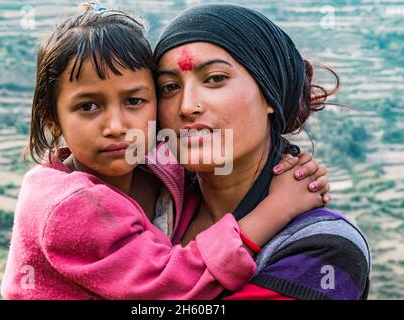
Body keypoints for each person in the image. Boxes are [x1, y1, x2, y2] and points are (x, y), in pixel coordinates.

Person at [0, 3, 330, 300]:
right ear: (53, 120)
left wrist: (291, 169)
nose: (116, 126)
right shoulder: (68, 206)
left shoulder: (323, 248)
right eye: (171, 87)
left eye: (134, 101)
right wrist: (275, 210)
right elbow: (167, 290)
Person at [154, 3, 371, 300]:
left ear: (270, 94)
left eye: (215, 79)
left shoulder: (325, 247)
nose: (187, 106)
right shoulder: (147, 208)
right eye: (168, 87)